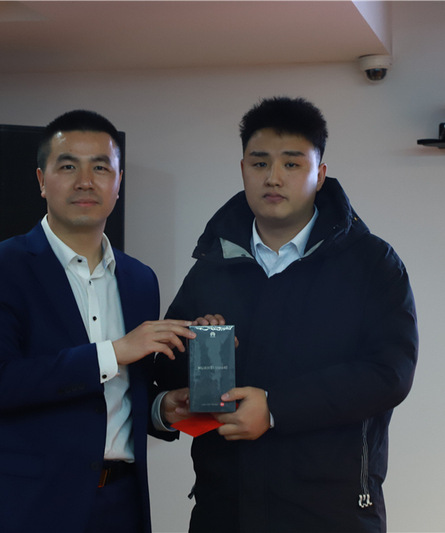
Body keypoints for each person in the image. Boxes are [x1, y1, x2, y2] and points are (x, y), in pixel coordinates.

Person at [154, 97, 419, 532]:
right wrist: (198, 352)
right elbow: (166, 372)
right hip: (225, 509)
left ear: (320, 174)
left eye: (292, 164)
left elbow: (390, 373)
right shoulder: (213, 266)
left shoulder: (371, 263)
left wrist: (276, 408)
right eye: (260, 163)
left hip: (332, 511)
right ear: (243, 169)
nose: (273, 177)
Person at [0, 109, 194, 533]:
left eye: (100, 168)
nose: (85, 181)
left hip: (121, 503)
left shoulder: (140, 279)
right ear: (42, 180)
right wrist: (113, 353)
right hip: (24, 507)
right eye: (68, 167)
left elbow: (123, 394)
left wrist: (160, 410)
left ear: (118, 182)